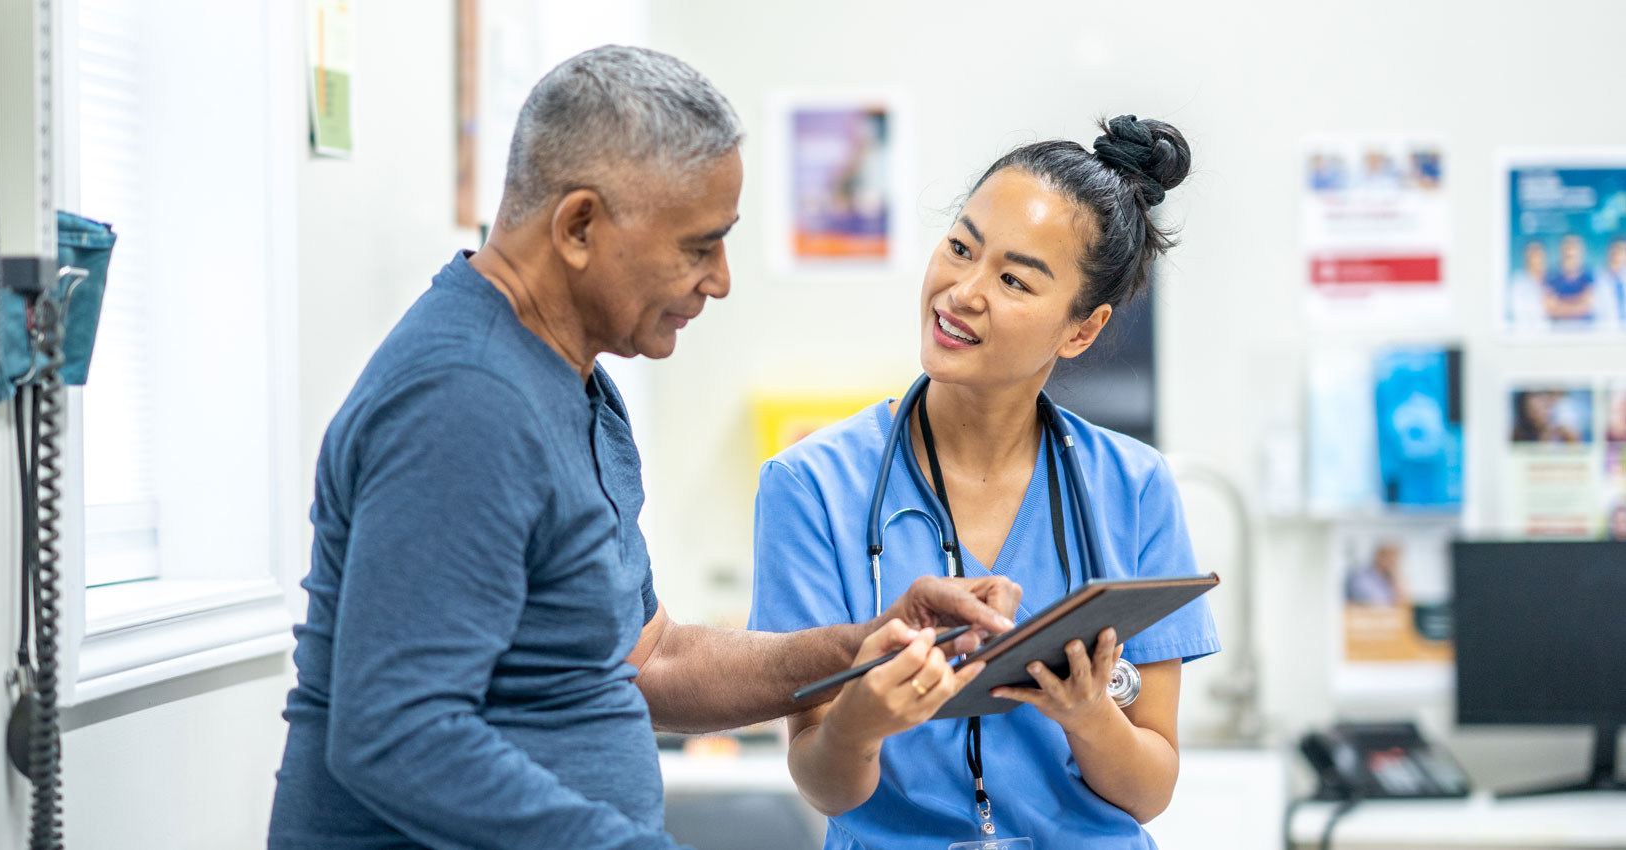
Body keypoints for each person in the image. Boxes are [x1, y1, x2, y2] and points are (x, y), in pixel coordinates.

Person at [266, 46, 1020, 850]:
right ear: (579, 225)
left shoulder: (572, 378)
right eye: (699, 245)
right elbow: (396, 735)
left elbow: (648, 658)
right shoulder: (465, 402)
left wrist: (862, 646)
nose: (720, 279)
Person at [749, 117, 1220, 849]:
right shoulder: (810, 486)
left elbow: (1149, 789)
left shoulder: (1133, 487)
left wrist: (1088, 713)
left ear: (1080, 330)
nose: (961, 291)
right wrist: (861, 719)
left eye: (1012, 279)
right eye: (960, 247)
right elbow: (821, 781)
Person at [1543, 233, 1596, 322]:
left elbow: (1588, 306)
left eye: (1574, 246)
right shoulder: (1551, 276)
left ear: (1580, 250)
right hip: (1558, 331)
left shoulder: (1588, 275)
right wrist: (1578, 302)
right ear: (1561, 249)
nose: (1571, 249)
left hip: (1585, 331)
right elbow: (1550, 309)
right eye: (1567, 246)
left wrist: (1560, 303)